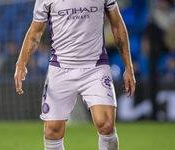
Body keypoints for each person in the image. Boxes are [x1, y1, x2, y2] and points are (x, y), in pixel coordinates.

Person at [14, 0, 136, 150]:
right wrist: (21, 63)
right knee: (52, 132)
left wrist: (128, 67)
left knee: (106, 125)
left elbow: (117, 25)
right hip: (61, 68)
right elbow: (36, 30)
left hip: (95, 66)